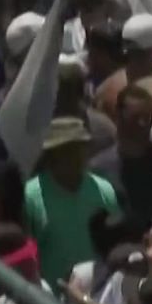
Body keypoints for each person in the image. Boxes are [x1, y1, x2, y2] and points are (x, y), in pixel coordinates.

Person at [24, 118, 119, 285]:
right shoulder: (30, 196)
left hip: (98, 297)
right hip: (50, 302)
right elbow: (27, 257)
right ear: (52, 155)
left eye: (78, 149)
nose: (73, 157)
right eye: (65, 150)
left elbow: (115, 246)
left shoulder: (104, 190)